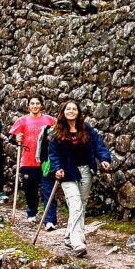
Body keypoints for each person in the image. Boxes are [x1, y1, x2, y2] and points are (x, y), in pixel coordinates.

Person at [48, 100, 111, 257]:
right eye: (68, 109)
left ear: (78, 112)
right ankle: (78, 242)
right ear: (63, 112)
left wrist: (104, 158)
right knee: (75, 205)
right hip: (68, 172)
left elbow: (98, 144)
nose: (71, 111)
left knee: (81, 204)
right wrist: (56, 169)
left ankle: (70, 236)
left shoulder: (86, 128)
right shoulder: (57, 133)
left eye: (74, 109)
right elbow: (53, 155)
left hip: (85, 170)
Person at [8, 96, 57, 228]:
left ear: (41, 105)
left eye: (37, 104)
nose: (35, 106)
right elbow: (11, 138)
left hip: (45, 161)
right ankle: (31, 212)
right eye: (32, 104)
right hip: (27, 161)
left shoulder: (50, 120)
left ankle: (50, 219)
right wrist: (16, 138)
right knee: (30, 190)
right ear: (28, 106)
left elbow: (57, 135)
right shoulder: (22, 120)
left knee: (48, 190)